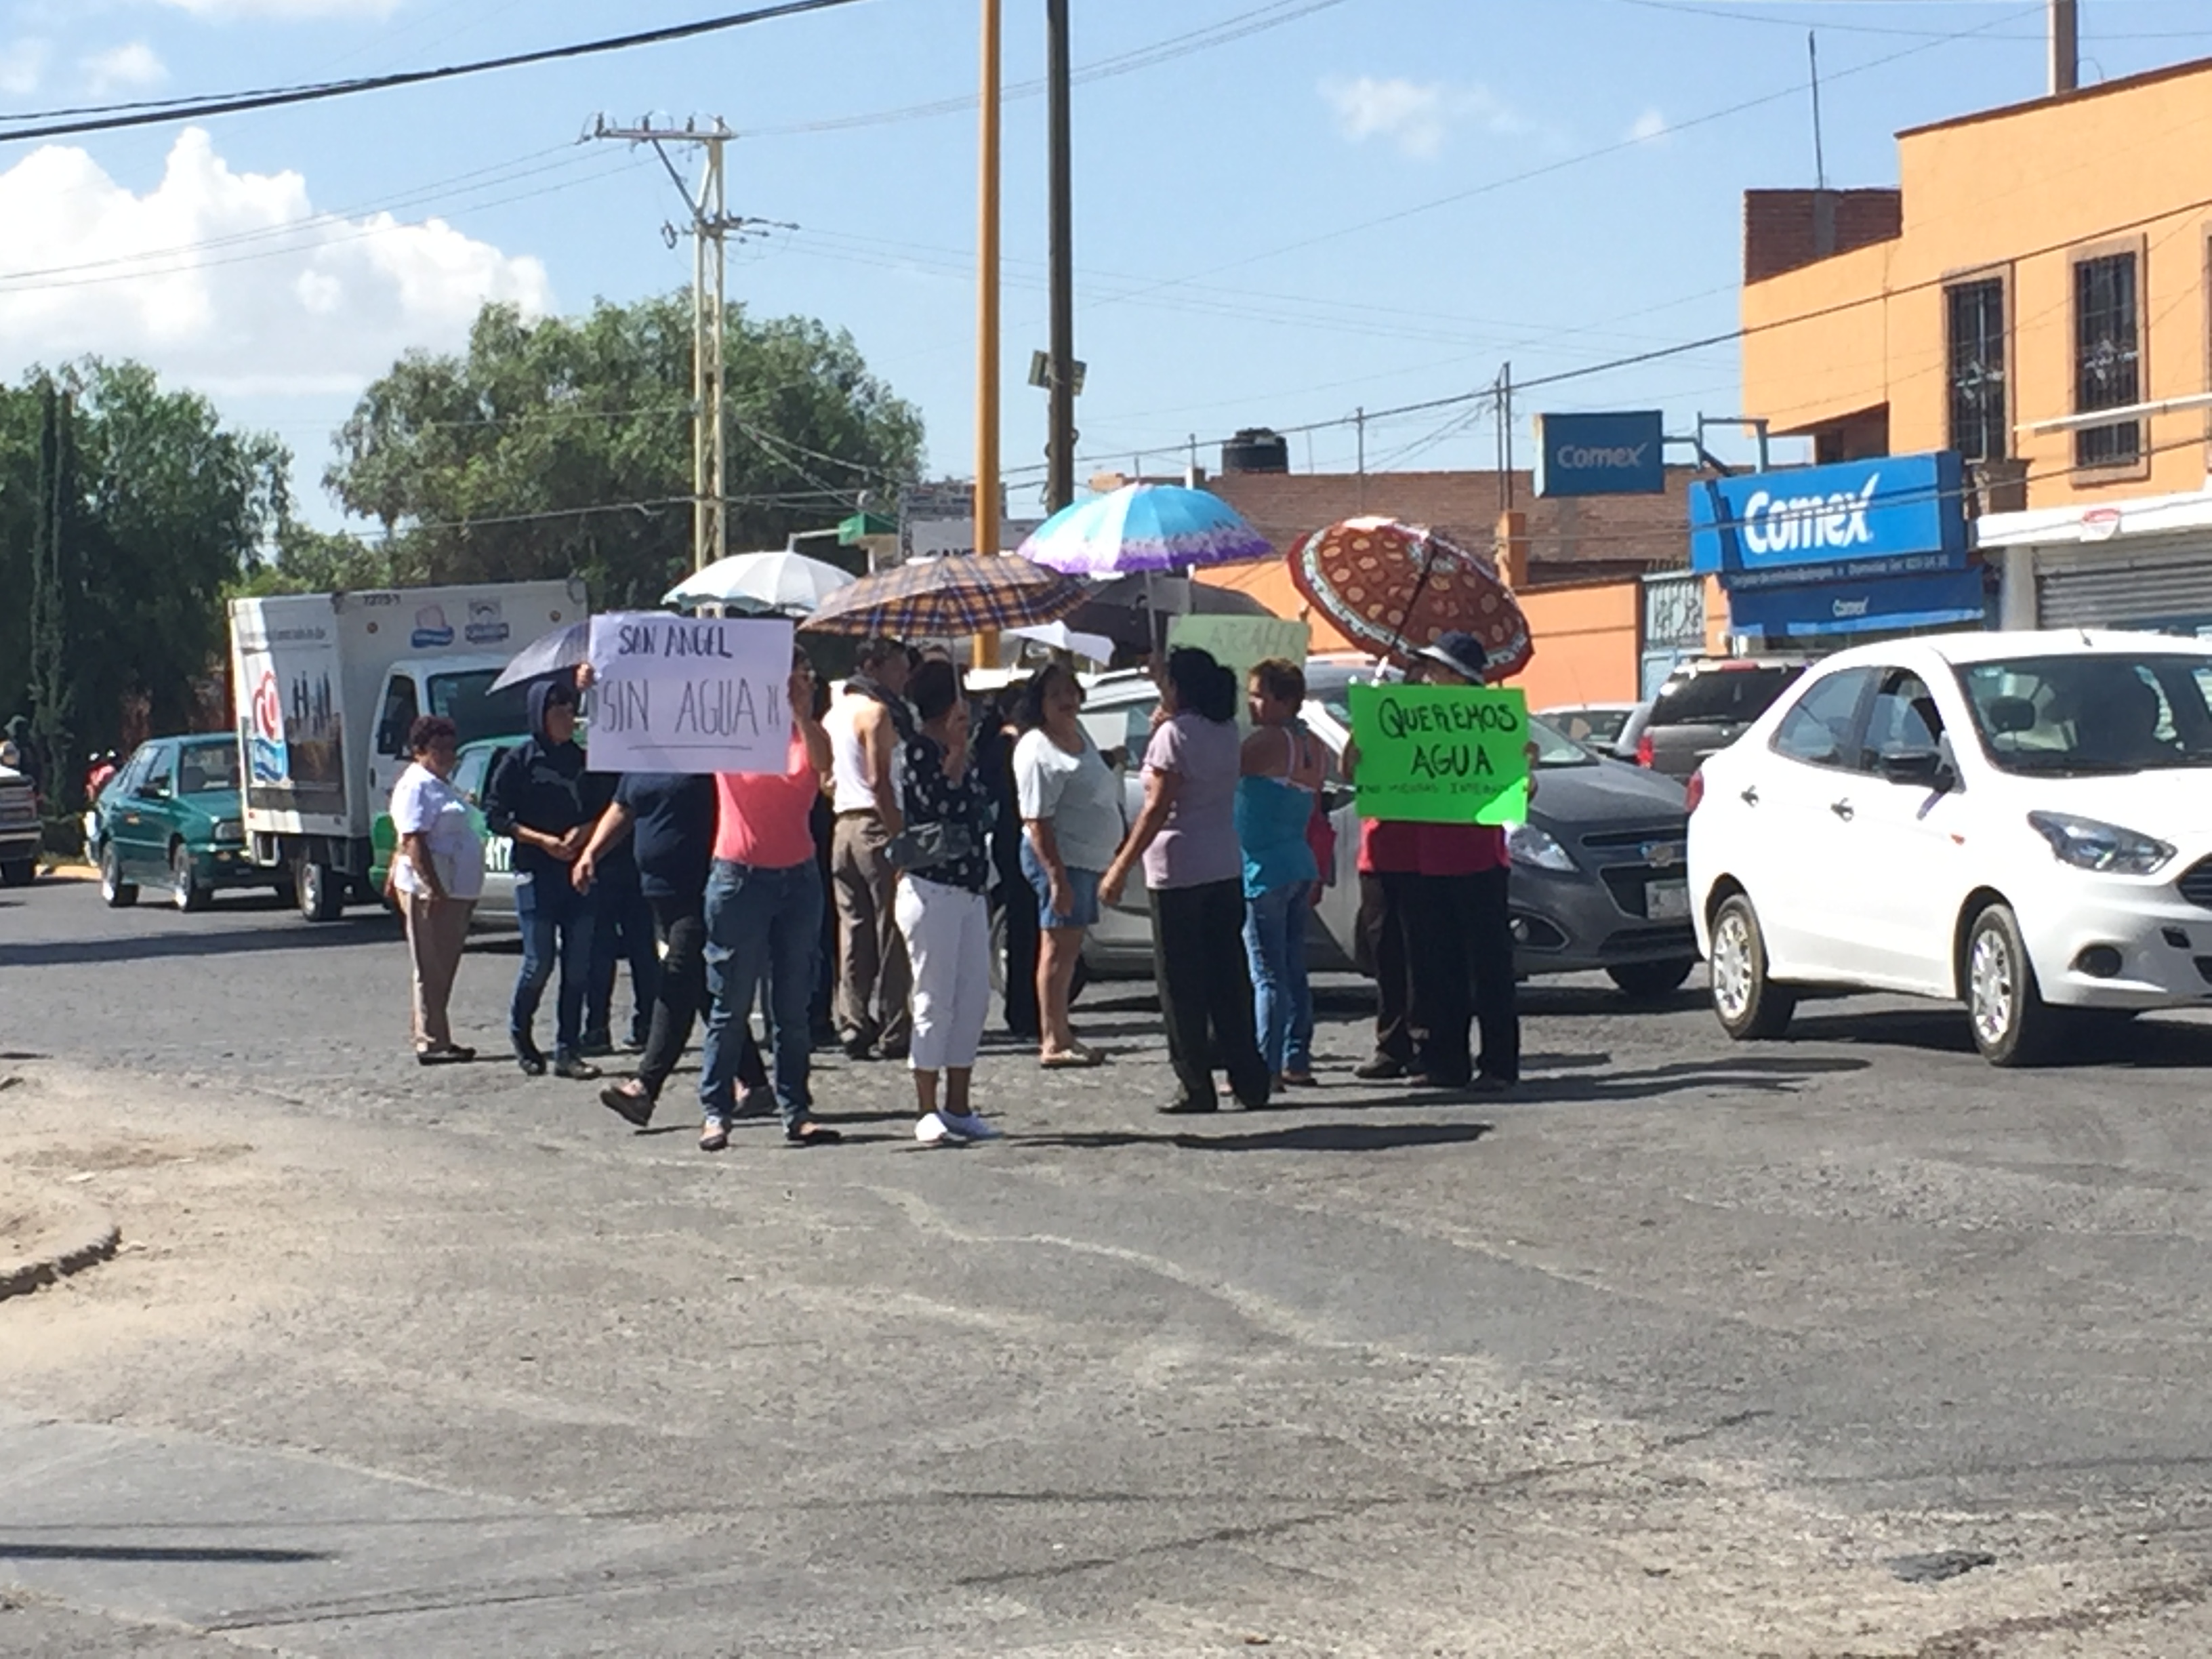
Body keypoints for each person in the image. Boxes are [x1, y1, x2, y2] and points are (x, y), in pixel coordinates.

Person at [1101, 647, 1270, 1115]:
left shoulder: (1172, 736)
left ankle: (1195, 1081)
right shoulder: (1224, 730)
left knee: (1181, 983)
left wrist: (1121, 865)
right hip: (1222, 860)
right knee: (1228, 975)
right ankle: (1248, 1075)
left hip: (1177, 867)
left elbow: (1156, 807)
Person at [1350, 632, 1521, 1094]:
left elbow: (1517, 783)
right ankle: (1446, 1062)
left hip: (1479, 858)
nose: (1427, 677)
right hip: (1430, 861)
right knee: (1437, 968)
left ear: (1457, 676)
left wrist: (1523, 772)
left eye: (1436, 669)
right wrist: (1370, 726)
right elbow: (1362, 772)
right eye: (1426, 668)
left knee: (1488, 968)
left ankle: (1500, 1063)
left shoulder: (1490, 719)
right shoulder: (1413, 718)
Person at [699, 647, 844, 1151]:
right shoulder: (729, 727)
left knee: (792, 1006)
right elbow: (656, 725)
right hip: (739, 878)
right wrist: (598, 687)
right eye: (786, 674)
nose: (795, 682)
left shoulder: (810, 732)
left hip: (797, 880)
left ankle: (796, 1109)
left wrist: (803, 716)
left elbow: (827, 777)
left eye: (802, 674)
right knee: (731, 1002)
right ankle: (716, 1111)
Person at [575, 773, 773, 1129]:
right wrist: (592, 852)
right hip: (659, 895)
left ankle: (645, 1087)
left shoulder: (704, 753)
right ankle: (755, 1083)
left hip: (704, 888)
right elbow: (624, 806)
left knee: (676, 981)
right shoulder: (642, 759)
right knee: (700, 990)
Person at [893, 661, 1003, 1145]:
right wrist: (955, 754)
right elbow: (938, 804)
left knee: (973, 998)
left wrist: (963, 755)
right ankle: (927, 1105)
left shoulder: (967, 753)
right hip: (931, 887)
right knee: (932, 998)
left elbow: (981, 810)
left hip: (970, 889)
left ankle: (960, 1103)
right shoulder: (917, 752)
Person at [486, 678, 611, 1080]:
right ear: (540, 714)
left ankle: (567, 1049)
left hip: (577, 872)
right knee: (540, 961)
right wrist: (541, 841)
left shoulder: (584, 760)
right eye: (557, 709)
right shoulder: (518, 760)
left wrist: (586, 831)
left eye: (570, 708)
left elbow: (611, 808)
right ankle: (521, 1033)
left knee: (578, 965)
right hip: (535, 872)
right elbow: (497, 816)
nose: (566, 716)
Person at [1015, 661, 1118, 1067]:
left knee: (1070, 950)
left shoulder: (1080, 735)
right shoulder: (1037, 748)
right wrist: (1057, 877)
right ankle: (1052, 1038)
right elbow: (1036, 820)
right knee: (1056, 950)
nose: (1066, 700)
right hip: (1062, 860)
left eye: (1071, 691)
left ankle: (1063, 1030)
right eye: (1056, 693)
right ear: (1039, 702)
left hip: (1086, 860)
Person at [825, 637, 915, 1061]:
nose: (905, 676)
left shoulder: (834, 712)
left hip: (843, 823)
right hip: (875, 823)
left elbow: (825, 775)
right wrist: (900, 836)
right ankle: (895, 1025)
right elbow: (880, 781)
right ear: (876, 667)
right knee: (892, 928)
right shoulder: (875, 713)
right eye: (899, 667)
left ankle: (853, 1019)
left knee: (853, 928)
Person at [1237, 659, 1325, 1092]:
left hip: (1264, 867)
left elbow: (1219, 773)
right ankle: (1296, 1056)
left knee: (1267, 974)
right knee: (1292, 969)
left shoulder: (1268, 742)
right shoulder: (1312, 746)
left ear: (1283, 701)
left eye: (1258, 695)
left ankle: (1265, 1067)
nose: (1251, 704)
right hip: (1298, 862)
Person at [386, 715, 485, 1065]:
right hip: (431, 889)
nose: (446, 755)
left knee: (444, 965)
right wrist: (434, 889)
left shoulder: (441, 783)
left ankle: (438, 1034)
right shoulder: (416, 785)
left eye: (450, 748)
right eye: (437, 748)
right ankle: (430, 1042)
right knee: (430, 967)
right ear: (419, 751)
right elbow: (413, 842)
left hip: (455, 887)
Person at [977, 684, 1040, 1042]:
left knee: (1027, 925)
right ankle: (1022, 1011)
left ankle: (1028, 1009)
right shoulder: (1004, 744)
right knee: (1022, 926)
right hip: (1014, 837)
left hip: (1013, 836)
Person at [580, 819, 659, 1058]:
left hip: (605, 864)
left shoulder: (595, 781)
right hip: (636, 860)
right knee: (642, 950)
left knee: (602, 951)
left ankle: (597, 1028)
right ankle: (645, 1025)